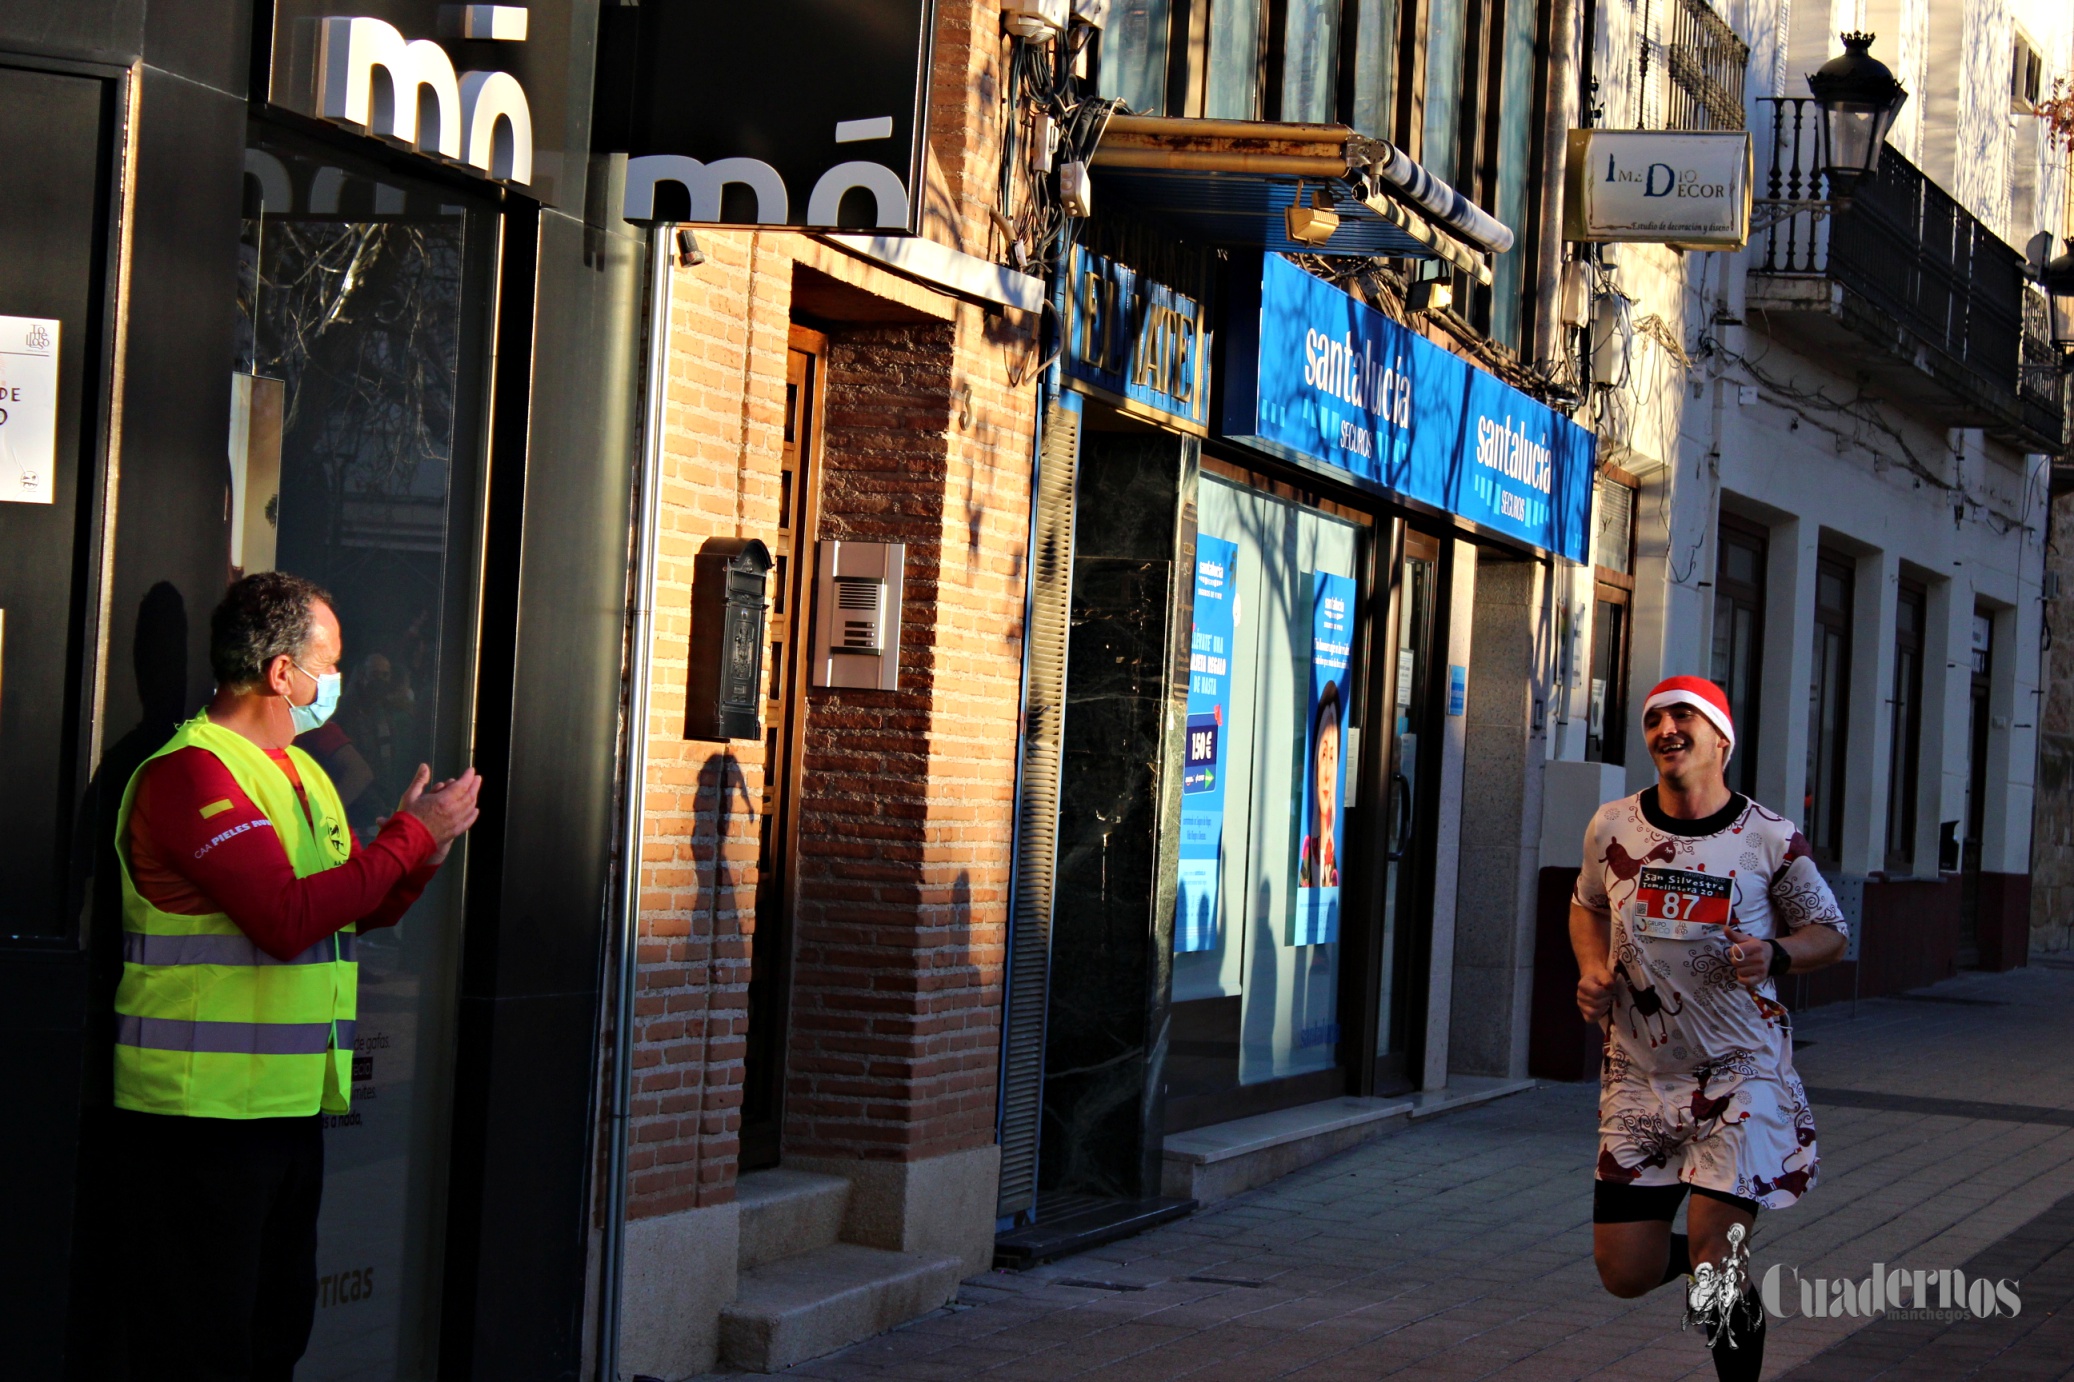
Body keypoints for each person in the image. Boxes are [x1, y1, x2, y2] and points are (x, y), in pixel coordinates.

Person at [110, 572, 482, 1380]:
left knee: (276, 1335)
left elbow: (344, 909)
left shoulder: (303, 773)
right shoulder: (192, 774)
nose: (340, 682)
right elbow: (284, 919)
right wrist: (407, 842)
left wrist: (416, 856)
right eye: (332, 662)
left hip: (283, 1111)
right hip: (198, 1119)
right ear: (283, 673)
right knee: (200, 1348)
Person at [1570, 675, 1848, 1381]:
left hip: (1740, 1074)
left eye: (1683, 717)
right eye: (1655, 719)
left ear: (1720, 738)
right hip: (1639, 1078)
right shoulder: (1613, 826)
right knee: (1623, 1270)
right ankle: (1720, 1285)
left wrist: (1776, 952)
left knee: (1712, 1256)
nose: (1666, 729)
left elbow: (1830, 933)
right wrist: (1594, 970)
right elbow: (1588, 904)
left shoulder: (1768, 838)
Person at [1299, 679, 1343, 888]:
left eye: (1332, 757)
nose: (1326, 773)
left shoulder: (1336, 862)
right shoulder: (1305, 851)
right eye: (1323, 754)